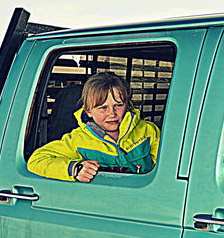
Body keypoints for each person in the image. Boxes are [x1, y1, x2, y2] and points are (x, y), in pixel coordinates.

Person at [27, 72, 160, 182]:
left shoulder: (148, 131)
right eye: (103, 108)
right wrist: (74, 168)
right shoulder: (77, 140)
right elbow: (36, 160)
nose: (111, 114)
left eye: (118, 105)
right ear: (88, 111)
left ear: (127, 104)